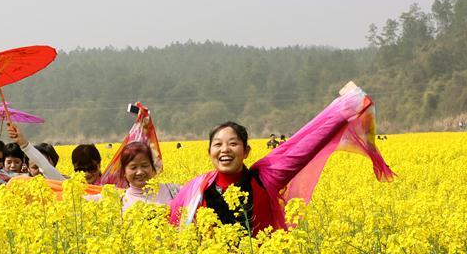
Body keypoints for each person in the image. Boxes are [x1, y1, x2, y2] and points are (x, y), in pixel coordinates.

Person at [169, 82, 394, 236]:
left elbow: (304, 144)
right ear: (209, 152)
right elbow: (172, 223)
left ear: (246, 151)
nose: (224, 149)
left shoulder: (265, 177)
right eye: (217, 144)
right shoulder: (197, 189)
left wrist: (348, 106)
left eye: (233, 143)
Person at [117, 142, 179, 210]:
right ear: (124, 171)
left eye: (144, 166)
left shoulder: (174, 191)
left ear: (153, 167)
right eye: (133, 167)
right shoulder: (119, 203)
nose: (139, 172)